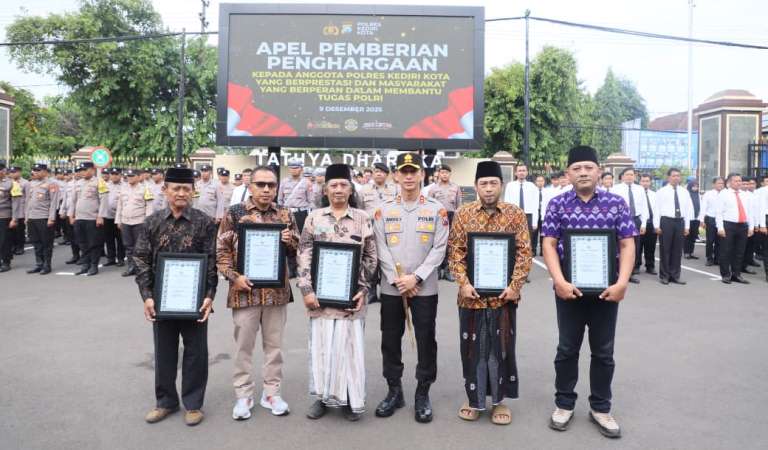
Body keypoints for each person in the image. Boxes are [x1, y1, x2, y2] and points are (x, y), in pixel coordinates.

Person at [541, 145, 636, 439]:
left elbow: (627, 244)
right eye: (577, 168)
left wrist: (622, 283)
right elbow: (548, 243)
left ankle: (601, 407)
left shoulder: (616, 204)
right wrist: (558, 280)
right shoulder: (557, 205)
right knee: (567, 349)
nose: (583, 172)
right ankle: (564, 403)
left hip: (607, 291)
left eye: (588, 167)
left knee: (603, 351)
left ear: (599, 171)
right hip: (569, 290)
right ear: (568, 173)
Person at [447, 160, 532, 425]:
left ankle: (498, 402)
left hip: (503, 297)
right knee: (473, 347)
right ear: (475, 186)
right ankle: (474, 400)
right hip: (470, 296)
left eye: (493, 183)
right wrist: (463, 282)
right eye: (483, 184)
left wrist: (515, 285)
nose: (488, 189)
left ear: (501, 185)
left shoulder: (515, 214)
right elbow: (456, 252)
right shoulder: (464, 214)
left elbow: (524, 252)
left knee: (500, 348)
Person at [133, 166, 218, 427]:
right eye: (176, 188)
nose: (181, 193)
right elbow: (141, 259)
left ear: (193, 191)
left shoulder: (204, 222)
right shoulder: (153, 221)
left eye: (186, 189)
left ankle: (193, 404)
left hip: (194, 302)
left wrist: (209, 295)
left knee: (196, 352)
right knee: (164, 352)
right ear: (165, 190)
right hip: (162, 300)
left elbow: (213, 260)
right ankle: (166, 401)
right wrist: (147, 296)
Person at [217, 166, 300, 420]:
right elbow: (221, 251)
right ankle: (243, 394)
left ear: (277, 187)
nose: (266, 190)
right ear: (249, 185)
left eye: (271, 185)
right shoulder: (235, 213)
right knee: (244, 347)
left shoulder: (285, 213)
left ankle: (272, 392)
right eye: (261, 184)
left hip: (276, 294)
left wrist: (290, 241)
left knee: (274, 348)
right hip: (245, 293)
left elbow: (298, 247)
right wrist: (234, 278)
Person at [297, 163, 377, 422]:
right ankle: (322, 397)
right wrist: (307, 290)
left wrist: (363, 289)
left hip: (351, 299)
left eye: (344, 185)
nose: (339, 189)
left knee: (349, 348)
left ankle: (349, 399)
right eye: (334, 185)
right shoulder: (314, 217)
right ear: (325, 188)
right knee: (322, 348)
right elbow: (304, 254)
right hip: (319, 298)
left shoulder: (363, 218)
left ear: (351, 188)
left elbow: (370, 257)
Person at [372, 153, 448, 424]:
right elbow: (379, 249)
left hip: (424, 289)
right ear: (395, 175)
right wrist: (397, 280)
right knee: (390, 340)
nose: (408, 176)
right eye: (403, 171)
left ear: (421, 175)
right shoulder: (383, 210)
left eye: (412, 171)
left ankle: (422, 392)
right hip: (393, 289)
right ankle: (394, 390)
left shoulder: (436, 210)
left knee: (426, 340)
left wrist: (415, 278)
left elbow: (439, 249)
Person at [653, 168, 694, 285]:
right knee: (665, 249)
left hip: (679, 222)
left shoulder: (684, 192)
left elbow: (688, 210)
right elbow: (657, 209)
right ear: (668, 177)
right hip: (666, 222)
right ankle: (664, 276)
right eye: (674, 176)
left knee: (677, 250)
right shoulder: (661, 191)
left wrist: (687, 226)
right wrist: (656, 225)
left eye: (678, 176)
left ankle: (675, 275)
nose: (676, 178)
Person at [69, 162, 109, 276]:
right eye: (81, 170)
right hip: (79, 218)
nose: (82, 172)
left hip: (92, 218)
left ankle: (93, 265)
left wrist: (100, 216)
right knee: (82, 243)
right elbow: (73, 200)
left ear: (92, 170)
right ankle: (85, 265)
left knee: (94, 243)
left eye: (84, 170)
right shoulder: (78, 183)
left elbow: (104, 200)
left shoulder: (99, 182)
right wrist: (71, 215)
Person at [612, 168, 649, 284]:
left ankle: (630, 273)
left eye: (632, 175)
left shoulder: (640, 189)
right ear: (622, 177)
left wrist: (643, 224)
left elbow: (644, 207)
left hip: (636, 219)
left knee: (634, 248)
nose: (629, 177)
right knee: (619, 247)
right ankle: (617, 272)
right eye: (627, 175)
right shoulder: (615, 189)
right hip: (621, 220)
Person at [716, 173, 754, 284]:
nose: (739, 183)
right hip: (728, 225)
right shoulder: (724, 194)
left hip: (742, 225)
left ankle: (736, 274)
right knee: (726, 251)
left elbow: (749, 212)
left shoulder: (745, 195)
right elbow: (718, 212)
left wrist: (751, 226)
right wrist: (720, 227)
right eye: (736, 181)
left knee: (739, 251)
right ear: (730, 182)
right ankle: (725, 274)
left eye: (740, 181)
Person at [115, 169, 153, 277]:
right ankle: (131, 267)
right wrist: (118, 220)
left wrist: (147, 221)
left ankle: (141, 268)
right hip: (126, 221)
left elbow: (149, 206)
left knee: (140, 246)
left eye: (132, 176)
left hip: (139, 221)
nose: (129, 178)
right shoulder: (123, 188)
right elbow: (120, 206)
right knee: (128, 246)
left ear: (138, 177)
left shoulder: (145, 189)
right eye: (128, 176)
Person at [504, 164, 539, 278]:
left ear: (527, 172)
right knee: (513, 244)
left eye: (524, 170)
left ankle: (524, 273)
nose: (521, 172)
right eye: (519, 171)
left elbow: (535, 205)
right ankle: (513, 271)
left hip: (528, 217)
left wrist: (534, 222)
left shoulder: (532, 186)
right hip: (514, 216)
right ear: (515, 173)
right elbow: (507, 203)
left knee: (526, 246)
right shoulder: (510, 185)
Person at [24, 164, 59, 275]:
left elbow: (54, 202)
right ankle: (39, 264)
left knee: (46, 243)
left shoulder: (51, 184)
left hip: (44, 217)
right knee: (36, 242)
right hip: (32, 217)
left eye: (38, 170)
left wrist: (51, 218)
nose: (35, 172)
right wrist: (26, 217)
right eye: (34, 170)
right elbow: (27, 202)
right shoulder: (30, 184)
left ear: (45, 172)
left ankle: (47, 265)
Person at [428, 164, 462, 281]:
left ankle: (448, 270)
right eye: (442, 172)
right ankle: (437, 270)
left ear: (450, 174)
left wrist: (457, 221)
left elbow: (459, 205)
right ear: (439, 174)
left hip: (451, 216)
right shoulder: (433, 189)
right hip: (437, 217)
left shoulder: (455, 187)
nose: (444, 175)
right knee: (437, 243)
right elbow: (429, 205)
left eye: (446, 173)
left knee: (450, 243)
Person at [0, 163, 22, 272]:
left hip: (5, 216)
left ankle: (6, 261)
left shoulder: (12, 184)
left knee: (4, 240)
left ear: (3, 171)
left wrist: (14, 218)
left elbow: (16, 203)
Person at [102, 168, 126, 267]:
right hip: (108, 216)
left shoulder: (125, 186)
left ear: (120, 175)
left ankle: (120, 258)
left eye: (116, 174)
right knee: (109, 238)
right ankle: (111, 258)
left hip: (119, 217)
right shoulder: (106, 186)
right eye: (112, 174)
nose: (114, 176)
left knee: (120, 239)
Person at [699, 177, 725, 266]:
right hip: (711, 219)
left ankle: (717, 258)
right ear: (714, 184)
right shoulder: (708, 194)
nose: (720, 185)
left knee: (720, 240)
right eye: (718, 183)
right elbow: (703, 207)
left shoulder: (726, 193)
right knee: (710, 240)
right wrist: (701, 220)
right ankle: (709, 258)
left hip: (722, 220)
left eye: (722, 183)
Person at [638, 174, 658, 275]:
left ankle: (650, 266)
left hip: (651, 223)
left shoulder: (654, 194)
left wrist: (657, 225)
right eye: (643, 181)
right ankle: (636, 266)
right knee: (638, 246)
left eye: (647, 181)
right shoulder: (636, 193)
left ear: (650, 182)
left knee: (651, 246)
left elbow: (657, 210)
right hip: (640, 223)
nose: (645, 183)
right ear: (639, 182)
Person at [8, 166, 28, 255]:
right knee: (11, 230)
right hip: (10, 210)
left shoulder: (25, 183)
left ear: (19, 172)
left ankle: (20, 247)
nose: (12, 174)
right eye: (11, 172)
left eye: (14, 172)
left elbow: (28, 198)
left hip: (21, 210)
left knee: (19, 230)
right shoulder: (8, 182)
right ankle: (13, 246)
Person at [684, 179, 701, 260]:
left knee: (693, 236)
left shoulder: (698, 195)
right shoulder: (687, 195)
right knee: (687, 236)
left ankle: (691, 252)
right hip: (688, 219)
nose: (695, 188)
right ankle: (686, 252)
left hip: (696, 219)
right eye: (694, 186)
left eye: (697, 186)